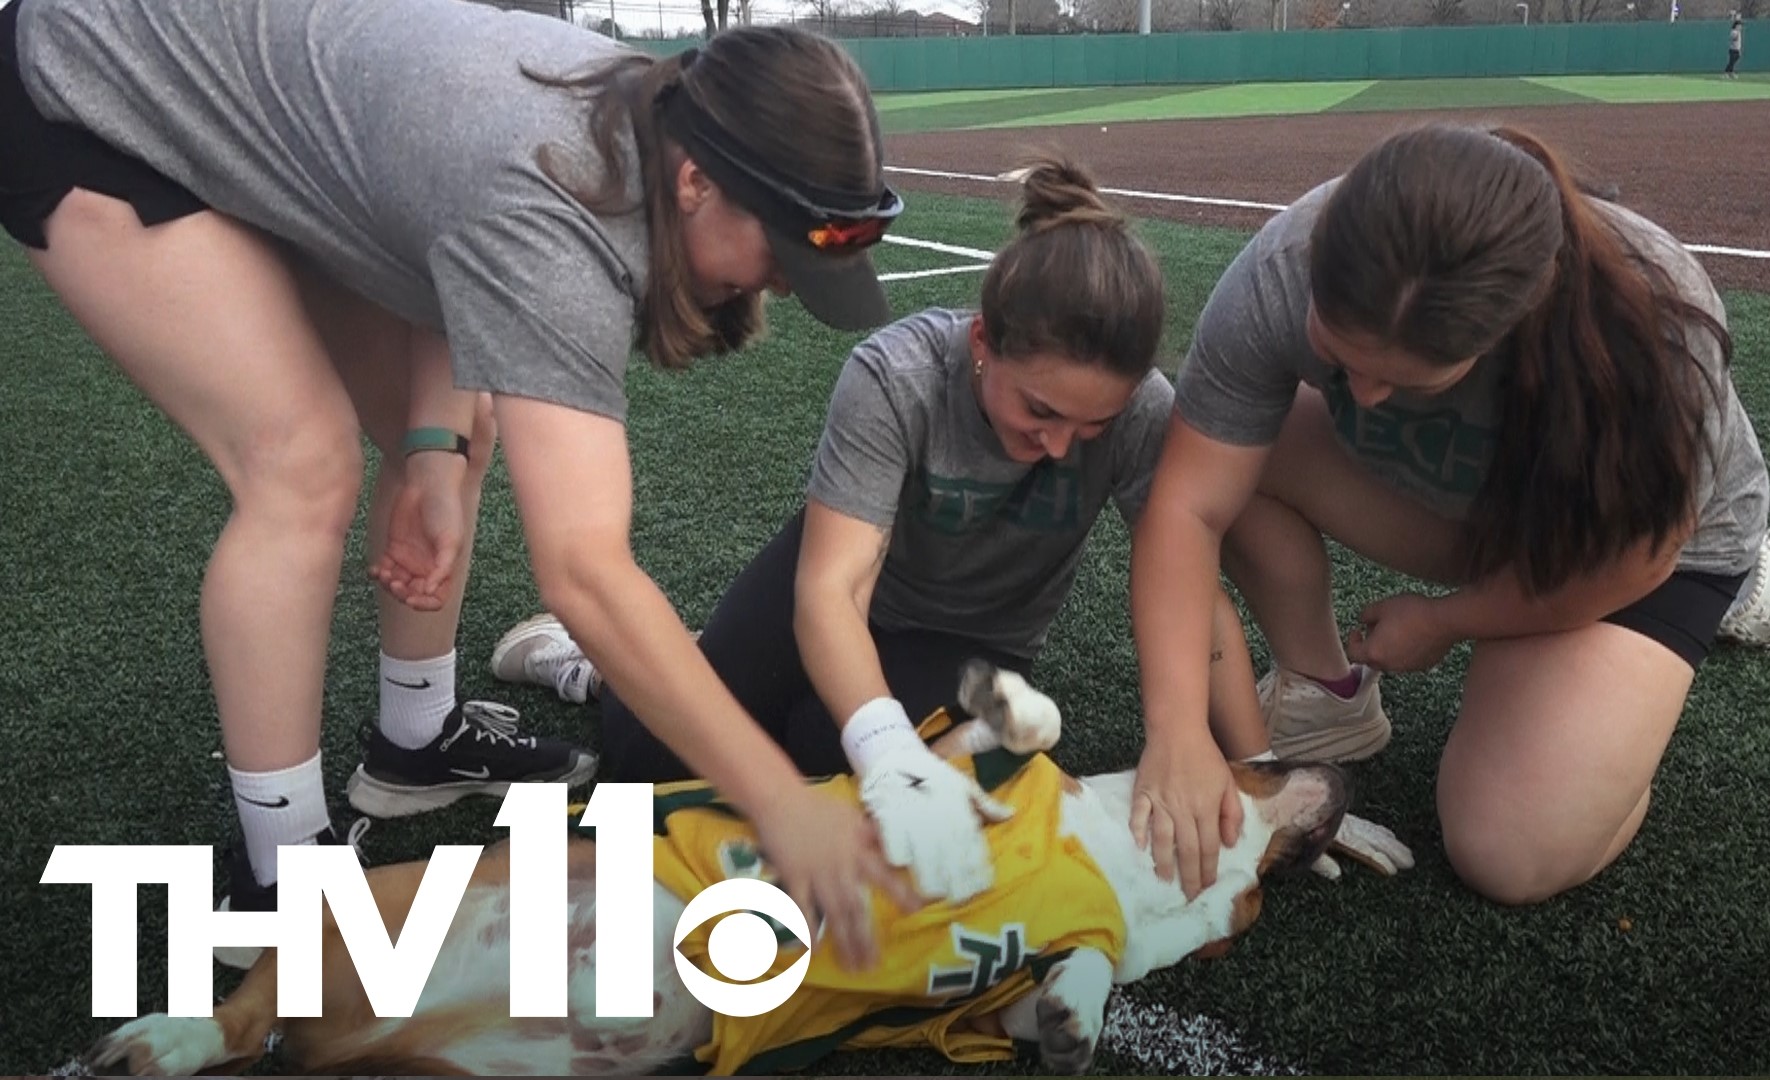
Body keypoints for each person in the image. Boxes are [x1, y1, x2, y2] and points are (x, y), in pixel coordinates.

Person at [1, 0, 917, 966]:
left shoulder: (642, 116)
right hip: (95, 94)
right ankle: (278, 880)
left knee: (459, 425)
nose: (775, 287)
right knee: (301, 466)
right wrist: (780, 804)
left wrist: (431, 451)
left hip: (244, 105)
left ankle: (414, 741)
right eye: (777, 254)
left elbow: (436, 231)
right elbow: (586, 574)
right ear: (695, 182)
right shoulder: (554, 197)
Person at [494, 157, 1297, 901]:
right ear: (983, 344)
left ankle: (739, 681)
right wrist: (884, 747)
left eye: (1091, 427)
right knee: (649, 776)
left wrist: (1260, 774)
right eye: (1040, 411)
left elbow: (1195, 586)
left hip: (964, 645)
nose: (1058, 446)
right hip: (836, 590)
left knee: (818, 754)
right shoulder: (898, 377)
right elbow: (831, 590)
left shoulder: (1142, 413)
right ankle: (603, 671)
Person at [1126, 122, 1770, 906]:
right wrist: (1178, 729)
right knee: (1211, 449)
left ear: (1509, 329)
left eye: (1402, 381)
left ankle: (1722, 608)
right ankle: (1328, 699)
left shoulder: (1653, 320)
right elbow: (1188, 506)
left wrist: (1451, 620)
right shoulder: (1286, 265)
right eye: (1337, 357)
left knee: (1507, 851)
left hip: (1622, 550)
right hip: (1476, 505)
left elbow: (1631, 562)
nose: (1358, 397)